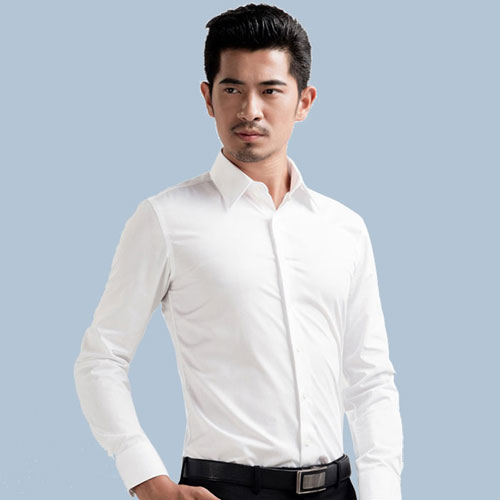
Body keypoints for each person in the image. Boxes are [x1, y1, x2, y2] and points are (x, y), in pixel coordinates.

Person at [73, 4, 404, 500]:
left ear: (304, 101)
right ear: (208, 98)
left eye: (270, 90)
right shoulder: (166, 219)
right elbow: (101, 359)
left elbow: (369, 379)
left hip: (338, 490)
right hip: (223, 490)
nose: (250, 110)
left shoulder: (344, 229)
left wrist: (382, 492)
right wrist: (148, 482)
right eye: (232, 89)